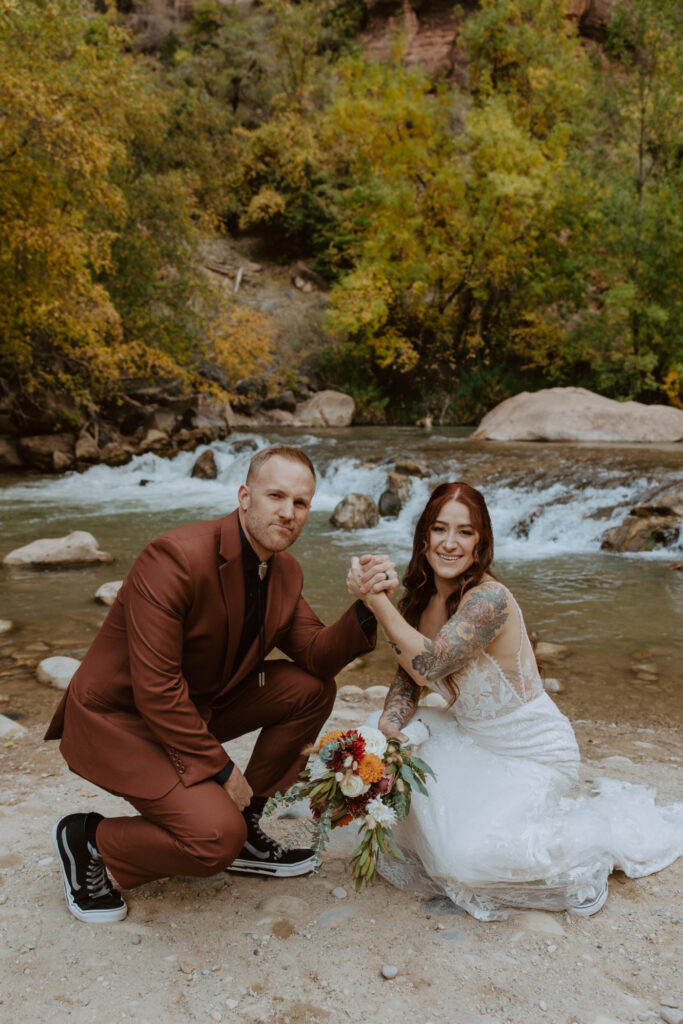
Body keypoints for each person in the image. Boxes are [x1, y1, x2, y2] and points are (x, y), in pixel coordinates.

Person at [45, 445, 393, 924]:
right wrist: (224, 773)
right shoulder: (175, 558)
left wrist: (369, 605)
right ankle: (88, 839)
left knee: (310, 689)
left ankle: (248, 829)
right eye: (276, 496)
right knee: (213, 840)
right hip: (121, 720)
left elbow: (316, 654)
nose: (288, 513)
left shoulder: (284, 570)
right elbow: (156, 691)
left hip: (195, 708)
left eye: (301, 503)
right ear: (244, 495)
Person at [347, 482, 683, 921]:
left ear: (481, 542)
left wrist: (375, 601)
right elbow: (409, 683)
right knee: (375, 727)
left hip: (533, 753)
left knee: (465, 859)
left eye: (464, 533)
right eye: (439, 529)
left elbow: (429, 665)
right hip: (473, 736)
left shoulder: (489, 600)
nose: (450, 543)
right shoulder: (422, 600)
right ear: (424, 537)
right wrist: (390, 737)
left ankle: (585, 864)